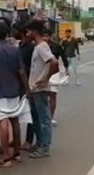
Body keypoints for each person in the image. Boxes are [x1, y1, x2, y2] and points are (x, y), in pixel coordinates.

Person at [0, 22, 31, 168]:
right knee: (14, 121)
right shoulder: (15, 50)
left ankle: (5, 157)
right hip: (15, 90)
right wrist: (26, 88)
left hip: (0, 92)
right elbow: (21, 71)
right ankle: (16, 153)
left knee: (3, 122)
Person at [25, 20, 59, 159]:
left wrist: (45, 78)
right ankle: (39, 143)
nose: (27, 34)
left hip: (40, 89)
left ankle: (44, 147)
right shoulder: (37, 46)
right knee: (36, 117)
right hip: (34, 88)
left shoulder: (42, 47)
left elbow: (54, 62)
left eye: (28, 31)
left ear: (34, 31)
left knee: (44, 119)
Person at [14, 22, 37, 152]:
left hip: (28, 82)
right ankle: (17, 139)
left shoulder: (31, 47)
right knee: (16, 112)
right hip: (18, 83)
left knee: (31, 112)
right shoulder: (20, 46)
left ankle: (29, 140)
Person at [43, 28, 68, 126]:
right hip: (42, 73)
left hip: (54, 74)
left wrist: (66, 70)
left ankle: (51, 117)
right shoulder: (39, 46)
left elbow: (64, 57)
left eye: (46, 36)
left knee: (53, 96)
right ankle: (44, 117)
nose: (45, 38)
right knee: (43, 97)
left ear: (50, 36)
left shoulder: (56, 46)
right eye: (43, 36)